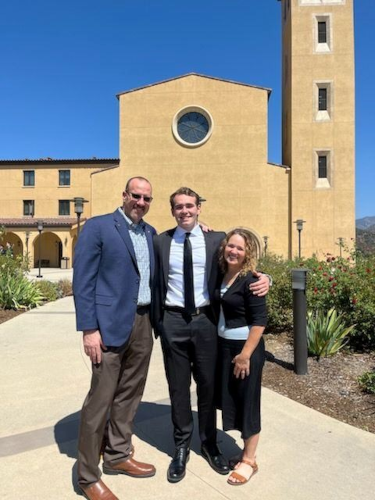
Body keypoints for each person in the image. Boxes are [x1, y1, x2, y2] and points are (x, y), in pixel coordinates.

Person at [152, 187, 270, 483]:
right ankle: (181, 447)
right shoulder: (160, 242)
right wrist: (160, 323)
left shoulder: (216, 239)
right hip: (173, 320)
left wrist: (267, 278)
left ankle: (208, 443)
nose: (185, 211)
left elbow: (243, 264)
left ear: (199, 208)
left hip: (206, 322)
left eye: (190, 205)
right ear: (172, 211)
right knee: (178, 388)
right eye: (179, 207)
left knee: (208, 386)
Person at [73, 177, 157, 500]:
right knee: (100, 401)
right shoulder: (98, 228)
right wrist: (89, 329)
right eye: (136, 196)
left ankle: (118, 455)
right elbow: (83, 281)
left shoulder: (149, 233)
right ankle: (87, 476)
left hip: (143, 323)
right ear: (124, 195)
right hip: (107, 327)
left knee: (129, 395)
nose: (140, 202)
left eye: (147, 198)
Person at [217, 228, 267, 486]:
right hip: (225, 347)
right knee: (234, 399)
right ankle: (245, 452)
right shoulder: (223, 275)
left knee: (248, 401)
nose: (233, 251)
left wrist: (245, 355)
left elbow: (259, 321)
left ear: (248, 252)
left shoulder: (252, 280)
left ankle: (249, 460)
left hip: (245, 349)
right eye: (231, 246)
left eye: (240, 248)